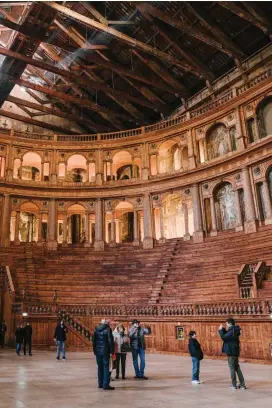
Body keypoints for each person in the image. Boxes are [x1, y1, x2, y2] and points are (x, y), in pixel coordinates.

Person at [219, 318, 247, 390]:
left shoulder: (232, 330)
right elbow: (228, 336)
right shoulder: (234, 329)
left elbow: (224, 337)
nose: (226, 324)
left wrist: (220, 330)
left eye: (227, 323)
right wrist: (223, 330)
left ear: (230, 323)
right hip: (235, 351)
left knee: (232, 368)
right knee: (237, 368)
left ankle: (234, 384)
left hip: (231, 352)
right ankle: (242, 384)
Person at [93, 318, 115, 391]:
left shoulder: (96, 329)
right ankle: (105, 385)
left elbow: (94, 341)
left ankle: (100, 383)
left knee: (100, 367)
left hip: (98, 351)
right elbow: (110, 341)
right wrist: (112, 352)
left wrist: (95, 351)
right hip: (105, 351)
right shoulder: (108, 329)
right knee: (106, 367)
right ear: (107, 324)